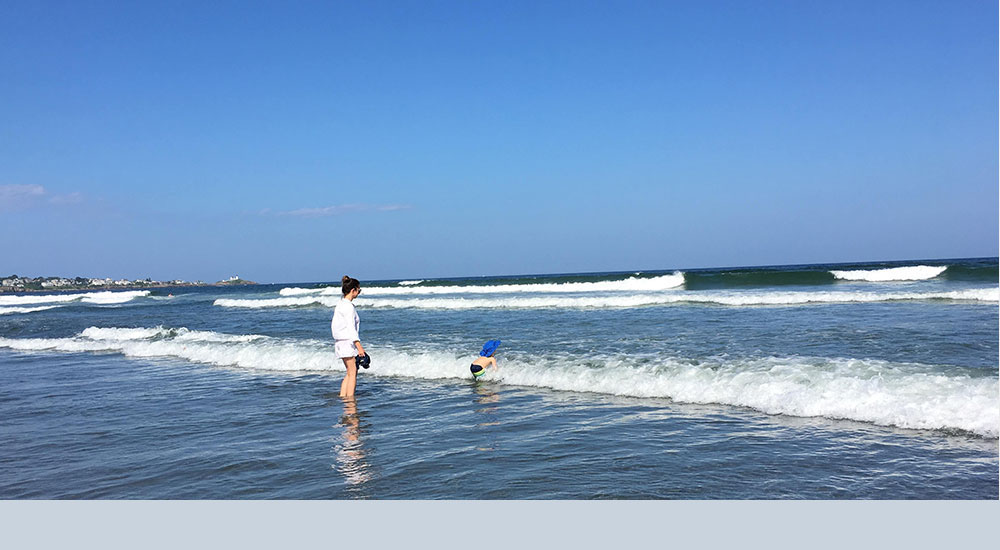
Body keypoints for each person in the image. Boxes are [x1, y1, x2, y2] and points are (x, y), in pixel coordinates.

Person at [332, 275, 366, 397]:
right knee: (353, 373)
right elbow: (351, 328)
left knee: (349, 372)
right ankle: (350, 401)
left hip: (340, 342)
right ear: (353, 290)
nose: (359, 293)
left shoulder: (340, 304)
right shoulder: (348, 307)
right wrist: (359, 346)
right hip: (347, 342)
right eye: (359, 290)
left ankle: (343, 397)